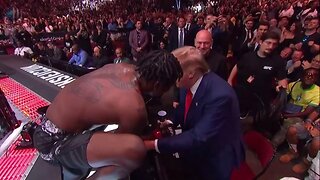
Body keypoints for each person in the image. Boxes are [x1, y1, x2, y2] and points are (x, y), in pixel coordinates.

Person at [32, 50, 183, 179]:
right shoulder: (134, 108)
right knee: (134, 150)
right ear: (158, 85)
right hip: (54, 146)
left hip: (44, 128)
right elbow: (121, 145)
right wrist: (155, 141)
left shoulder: (120, 67)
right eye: (166, 88)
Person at [144, 46, 244, 180]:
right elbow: (184, 108)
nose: (170, 77)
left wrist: (153, 144)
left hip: (216, 157)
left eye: (174, 73)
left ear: (190, 73)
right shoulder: (189, 83)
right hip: (197, 149)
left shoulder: (220, 96)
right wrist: (170, 122)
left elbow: (199, 136)